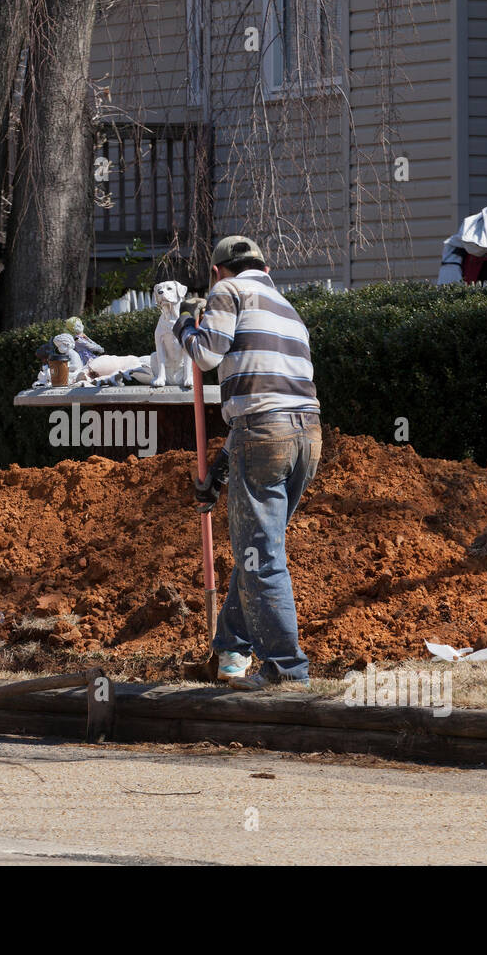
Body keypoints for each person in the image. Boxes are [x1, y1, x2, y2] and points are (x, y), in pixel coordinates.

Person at [172, 236, 323, 691]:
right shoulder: (287, 308)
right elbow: (271, 394)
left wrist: (183, 326)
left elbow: (206, 353)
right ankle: (231, 651)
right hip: (306, 438)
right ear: (266, 266)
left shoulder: (229, 291)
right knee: (259, 550)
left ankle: (286, 671)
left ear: (219, 271)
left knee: (260, 558)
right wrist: (220, 467)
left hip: (262, 435)